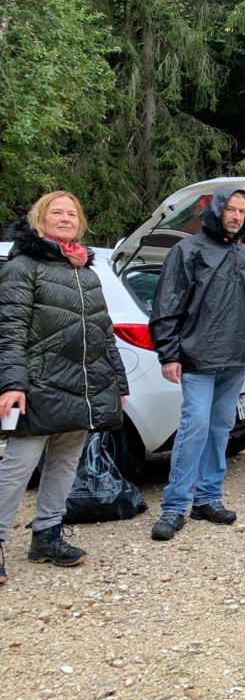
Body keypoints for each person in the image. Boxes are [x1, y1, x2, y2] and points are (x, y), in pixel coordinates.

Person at [0, 192, 129, 583]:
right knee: (18, 466)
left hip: (83, 386)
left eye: (72, 213)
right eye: (57, 212)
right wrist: (12, 383)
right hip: (39, 385)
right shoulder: (22, 267)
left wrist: (117, 383)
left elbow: (104, 334)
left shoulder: (86, 271)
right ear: (40, 219)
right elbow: (9, 330)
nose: (65, 218)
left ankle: (47, 536)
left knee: (65, 463)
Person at [149, 187, 245, 541]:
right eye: (230, 209)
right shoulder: (187, 251)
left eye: (241, 211)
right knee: (194, 427)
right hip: (197, 357)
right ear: (216, 210)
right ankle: (174, 506)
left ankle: (207, 498)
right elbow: (166, 304)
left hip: (235, 358)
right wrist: (169, 353)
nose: (235, 215)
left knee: (221, 428)